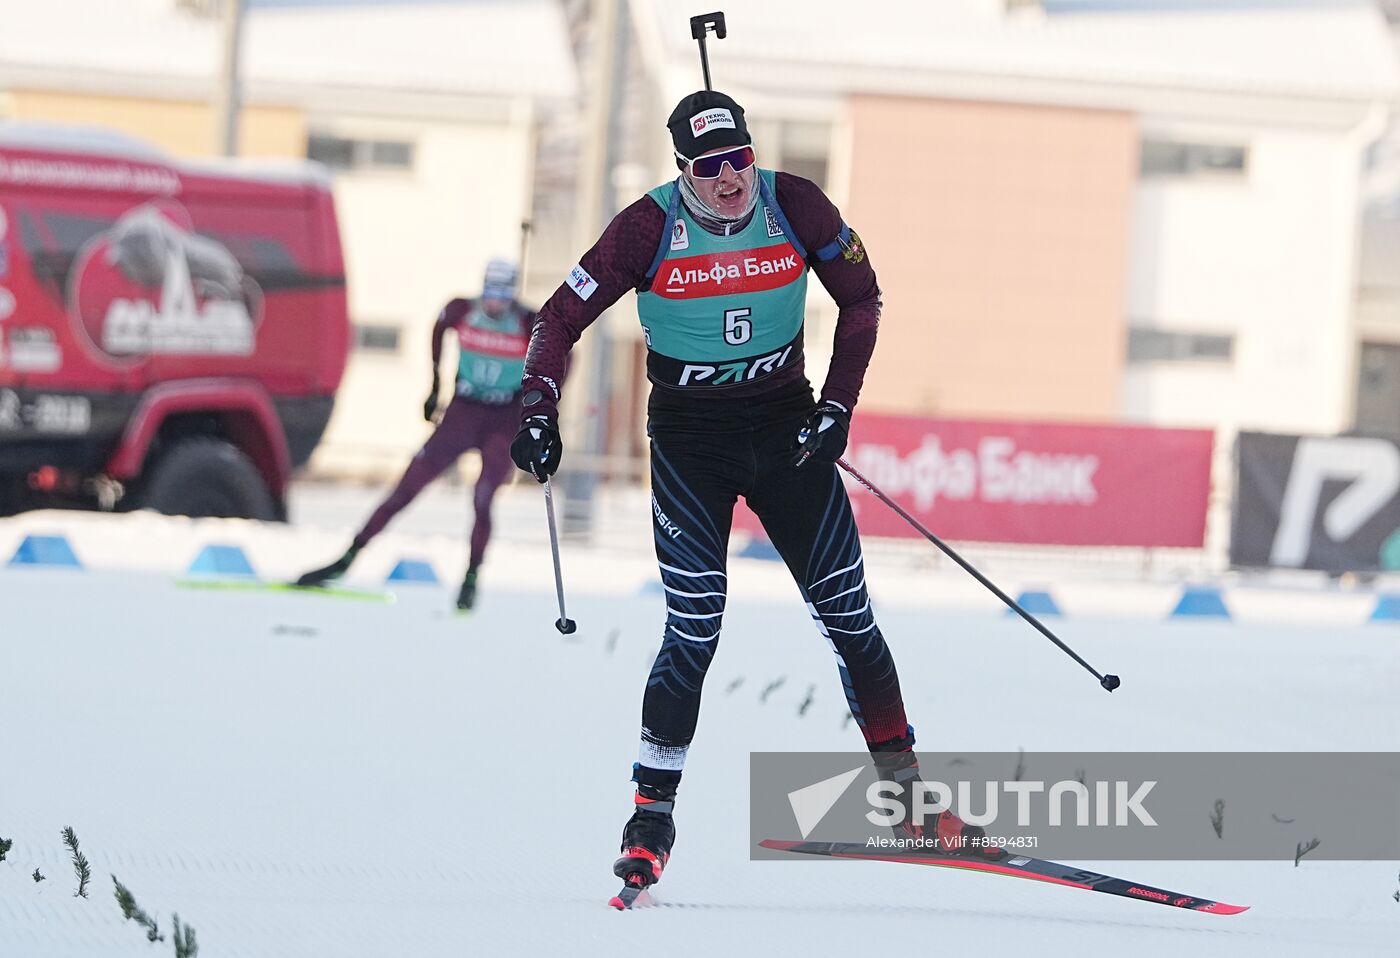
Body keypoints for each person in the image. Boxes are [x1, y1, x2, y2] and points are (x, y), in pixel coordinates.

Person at [509, 90, 992, 891]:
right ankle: (649, 821)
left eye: (740, 157)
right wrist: (538, 408)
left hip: (785, 429)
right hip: (691, 441)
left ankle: (906, 796)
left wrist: (837, 405)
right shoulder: (645, 227)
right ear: (683, 171)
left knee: (849, 614)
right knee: (694, 630)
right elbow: (556, 322)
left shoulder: (794, 202)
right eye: (710, 166)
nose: (731, 178)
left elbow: (862, 298)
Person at [298, 258, 535, 610]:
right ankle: (348, 557)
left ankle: (471, 579)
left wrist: (537, 410)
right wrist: (436, 385)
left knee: (483, 498)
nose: (494, 302)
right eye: (490, 292)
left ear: (512, 294)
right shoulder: (462, 310)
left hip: (502, 419)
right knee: (405, 489)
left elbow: (562, 356)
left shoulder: (527, 322)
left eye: (502, 295)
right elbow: (438, 330)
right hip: (463, 412)